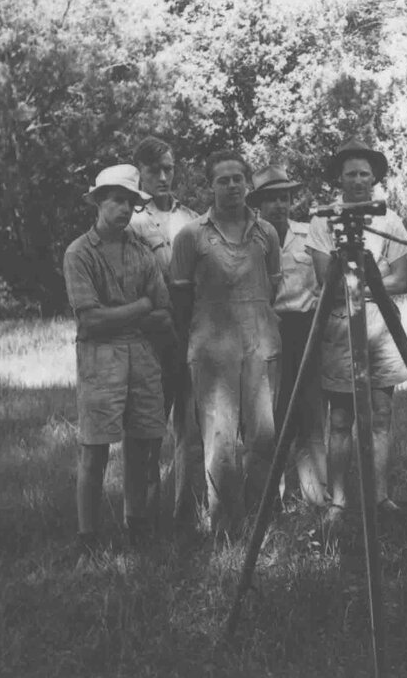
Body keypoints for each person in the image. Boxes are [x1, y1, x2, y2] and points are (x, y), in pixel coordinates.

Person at [169, 151, 282, 537]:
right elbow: (180, 300)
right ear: (210, 186)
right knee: (220, 440)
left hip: (261, 344)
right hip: (212, 348)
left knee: (263, 436)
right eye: (223, 180)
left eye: (238, 178)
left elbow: (273, 285)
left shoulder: (266, 233)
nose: (232, 185)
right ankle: (227, 529)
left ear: (249, 184)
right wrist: (202, 340)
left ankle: (262, 521)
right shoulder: (191, 236)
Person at [63, 164, 173, 555]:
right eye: (117, 200)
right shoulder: (79, 253)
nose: (125, 209)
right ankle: (87, 538)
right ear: (98, 201)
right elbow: (89, 320)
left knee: (143, 442)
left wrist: (134, 312)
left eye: (130, 202)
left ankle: (137, 525)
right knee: (94, 448)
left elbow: (164, 312)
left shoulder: (142, 253)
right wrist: (141, 306)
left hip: (141, 354)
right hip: (99, 359)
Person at [305, 138, 407, 529]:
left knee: (381, 415)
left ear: (375, 178)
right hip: (338, 325)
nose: (359, 180)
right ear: (340, 178)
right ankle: (338, 501)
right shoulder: (323, 221)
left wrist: (361, 279)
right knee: (340, 418)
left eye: (365, 174)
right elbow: (324, 280)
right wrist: (376, 273)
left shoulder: (390, 220)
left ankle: (379, 495)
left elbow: (401, 279)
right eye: (351, 173)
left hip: (381, 325)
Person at [127, 136, 200, 531]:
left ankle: (186, 512)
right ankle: (144, 518)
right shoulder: (131, 219)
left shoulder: (191, 218)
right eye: (154, 169)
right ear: (139, 171)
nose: (163, 176)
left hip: (190, 331)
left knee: (190, 426)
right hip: (151, 335)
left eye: (169, 167)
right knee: (148, 427)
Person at [247, 164, 328, 507]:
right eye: (271, 199)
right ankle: (271, 500)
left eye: (285, 198)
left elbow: (324, 284)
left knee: (312, 414)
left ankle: (315, 496)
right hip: (267, 331)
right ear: (258, 205)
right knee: (272, 416)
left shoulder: (309, 234)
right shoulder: (251, 238)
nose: (279, 205)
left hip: (305, 329)